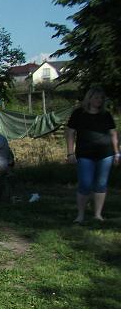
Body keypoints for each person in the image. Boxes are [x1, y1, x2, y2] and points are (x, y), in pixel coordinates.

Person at [65, 87, 119, 222]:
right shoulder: (78, 114)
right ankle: (81, 215)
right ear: (89, 98)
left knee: (101, 184)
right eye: (96, 98)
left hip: (105, 154)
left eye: (101, 98)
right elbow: (70, 133)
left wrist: (117, 153)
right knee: (85, 184)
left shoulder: (106, 115)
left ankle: (98, 214)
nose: (99, 101)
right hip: (85, 154)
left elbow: (113, 134)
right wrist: (70, 153)